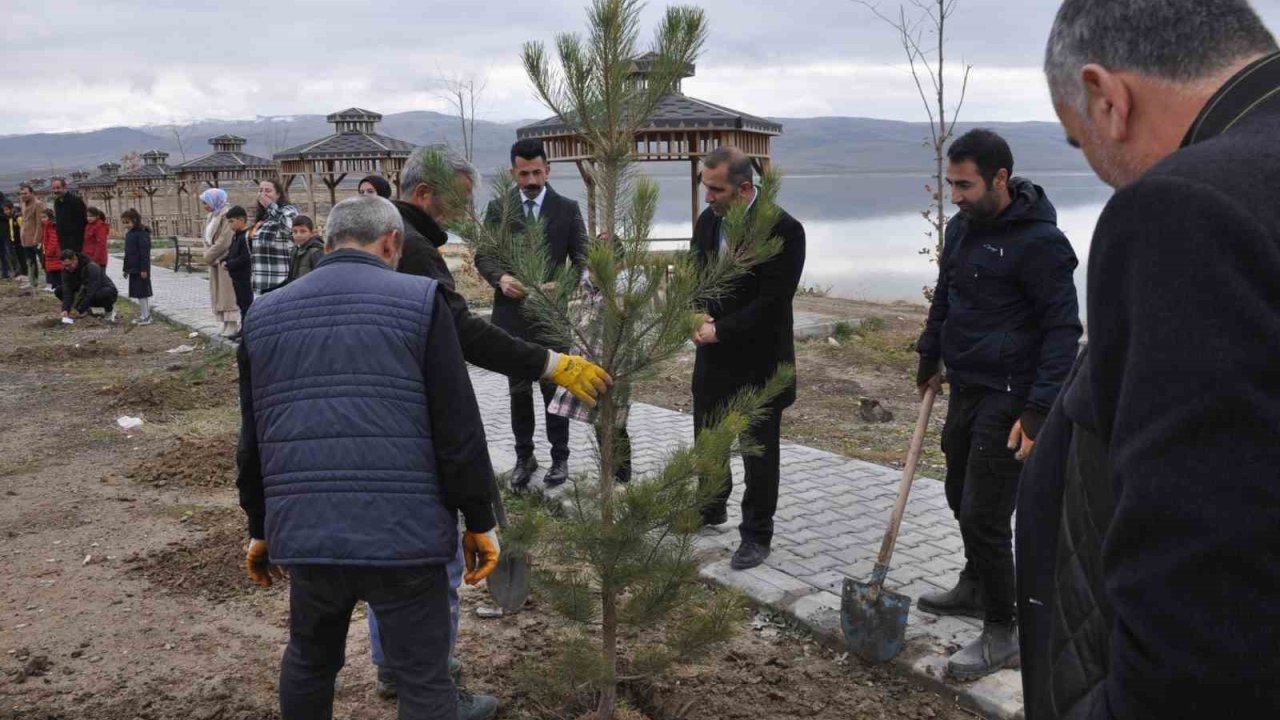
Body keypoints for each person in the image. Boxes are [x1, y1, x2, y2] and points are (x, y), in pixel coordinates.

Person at [1018, 2, 1280, 717]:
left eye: (1079, 144)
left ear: (1107, 99)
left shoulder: (1192, 208)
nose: (1103, 176)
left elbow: (1203, 603)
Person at [235, 195, 500, 720]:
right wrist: (479, 518)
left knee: (310, 660)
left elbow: (253, 439)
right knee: (423, 676)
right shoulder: (422, 302)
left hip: (309, 535)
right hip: (405, 536)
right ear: (390, 243)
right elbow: (457, 425)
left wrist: (260, 525)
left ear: (328, 241)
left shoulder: (263, 314)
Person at [370, 145, 609, 718]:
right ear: (425, 195)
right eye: (459, 199)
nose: (466, 211)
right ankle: (432, 687)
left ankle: (392, 668)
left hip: (388, 414)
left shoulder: (392, 235)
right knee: (437, 559)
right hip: (416, 419)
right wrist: (553, 364)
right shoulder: (415, 246)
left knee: (391, 559)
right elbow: (461, 332)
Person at [913, 129, 1081, 680]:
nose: (955, 195)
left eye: (964, 185)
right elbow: (947, 296)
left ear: (1000, 179)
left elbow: (1062, 331)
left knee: (985, 514)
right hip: (966, 383)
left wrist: (1038, 412)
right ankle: (976, 583)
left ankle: (1004, 631)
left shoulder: (1042, 245)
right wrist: (929, 352)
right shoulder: (962, 229)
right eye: (951, 184)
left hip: (1012, 394)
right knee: (959, 493)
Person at [691, 146, 806, 571]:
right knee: (708, 439)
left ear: (743, 189)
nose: (707, 198)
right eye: (705, 187)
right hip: (712, 359)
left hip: (760, 364)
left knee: (758, 454)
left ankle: (756, 534)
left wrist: (720, 329)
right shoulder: (709, 222)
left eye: (715, 190)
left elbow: (774, 302)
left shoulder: (784, 230)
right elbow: (695, 272)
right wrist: (693, 312)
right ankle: (709, 506)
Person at [476, 138, 588, 489]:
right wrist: (500, 278)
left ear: (548, 170)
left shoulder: (567, 208)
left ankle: (560, 458)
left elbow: (583, 261)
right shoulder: (498, 208)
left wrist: (563, 285)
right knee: (518, 392)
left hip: (551, 317)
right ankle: (524, 457)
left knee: (555, 392)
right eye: (523, 174)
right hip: (511, 318)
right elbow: (484, 255)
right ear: (513, 172)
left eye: (537, 172)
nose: (530, 180)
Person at [199, 189, 241, 337]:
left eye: (206, 202)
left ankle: (232, 323)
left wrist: (209, 256)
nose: (204, 206)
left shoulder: (226, 215)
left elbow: (225, 240)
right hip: (214, 260)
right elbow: (207, 237)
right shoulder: (211, 216)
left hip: (225, 258)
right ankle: (224, 322)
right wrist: (208, 254)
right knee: (218, 292)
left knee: (227, 293)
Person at [249, 179, 298, 295]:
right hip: (262, 281)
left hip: (280, 280)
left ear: (279, 194)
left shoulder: (288, 210)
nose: (263, 194)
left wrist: (271, 206)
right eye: (260, 190)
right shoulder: (264, 216)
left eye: (268, 191)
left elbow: (290, 229)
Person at [221, 206, 254, 341]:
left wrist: (230, 264)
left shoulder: (246, 236)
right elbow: (232, 253)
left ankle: (248, 332)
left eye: (231, 221)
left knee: (247, 305)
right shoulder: (236, 236)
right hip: (236, 277)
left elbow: (246, 257)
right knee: (241, 304)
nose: (229, 224)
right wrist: (225, 260)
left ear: (241, 220)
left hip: (245, 277)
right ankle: (243, 330)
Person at [58, 249, 118, 322]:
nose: (67, 268)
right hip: (84, 292)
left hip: (100, 291)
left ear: (75, 260)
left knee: (105, 293)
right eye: (64, 266)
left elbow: (92, 291)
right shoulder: (66, 271)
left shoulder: (91, 267)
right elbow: (67, 291)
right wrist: (65, 309)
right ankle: (85, 310)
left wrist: (80, 309)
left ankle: (109, 311)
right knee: (59, 290)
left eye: (68, 265)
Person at [121, 209, 153, 325]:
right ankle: (143, 314)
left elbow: (144, 254)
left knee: (143, 293)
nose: (125, 225)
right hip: (133, 269)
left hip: (140, 269)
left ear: (134, 221)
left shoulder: (142, 234)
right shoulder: (130, 234)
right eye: (124, 222)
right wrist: (125, 269)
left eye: (127, 222)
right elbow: (127, 253)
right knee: (138, 293)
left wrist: (144, 269)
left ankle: (147, 316)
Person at [18, 184, 43, 293]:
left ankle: (51, 282)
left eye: (25, 193)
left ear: (31, 193)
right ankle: (33, 281)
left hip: (35, 237)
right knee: (30, 261)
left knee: (43, 260)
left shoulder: (38, 204)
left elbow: (39, 222)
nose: (23, 195)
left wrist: (37, 238)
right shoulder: (23, 204)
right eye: (21, 193)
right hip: (25, 237)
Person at [51, 177, 87, 254]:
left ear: (64, 187)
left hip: (75, 240)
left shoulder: (75, 201)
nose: (56, 191)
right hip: (62, 240)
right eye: (54, 188)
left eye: (58, 188)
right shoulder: (57, 202)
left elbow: (82, 221)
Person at [286, 215, 323, 283]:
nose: (298, 235)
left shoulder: (316, 252)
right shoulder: (294, 250)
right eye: (295, 231)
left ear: (312, 233)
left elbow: (321, 277)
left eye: (303, 231)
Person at [41, 208, 62, 294]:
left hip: (53, 253)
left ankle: (57, 287)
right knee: (52, 270)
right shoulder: (47, 226)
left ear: (50, 217)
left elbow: (54, 239)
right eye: (41, 217)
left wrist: (49, 251)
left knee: (56, 271)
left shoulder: (51, 226)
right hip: (49, 252)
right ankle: (55, 286)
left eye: (44, 217)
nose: (42, 219)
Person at [0, 203, 14, 280]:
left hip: (7, 236)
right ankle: (5, 273)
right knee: (3, 255)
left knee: (9, 254)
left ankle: (10, 272)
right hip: (3, 236)